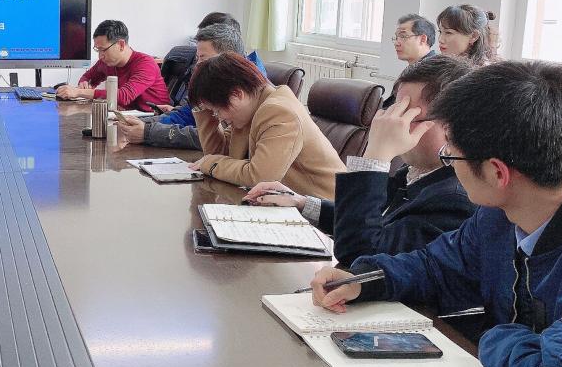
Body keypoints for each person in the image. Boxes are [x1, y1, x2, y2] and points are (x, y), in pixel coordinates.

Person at [309, 61, 562, 367]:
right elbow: (434, 266)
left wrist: (496, 336)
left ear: (497, 173)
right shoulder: (496, 219)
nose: (448, 164)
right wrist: (364, 281)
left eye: (452, 156)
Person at [244, 56, 476, 265]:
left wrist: (376, 155)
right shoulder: (420, 171)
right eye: (394, 111)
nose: (393, 123)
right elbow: (370, 219)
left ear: (450, 127)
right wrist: (302, 203)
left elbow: (359, 253)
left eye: (406, 115)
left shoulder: (456, 199)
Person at [187, 54, 344, 198]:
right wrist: (203, 110)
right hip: (286, 205)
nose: (220, 117)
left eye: (218, 110)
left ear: (237, 94)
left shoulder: (279, 111)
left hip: (327, 211)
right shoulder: (250, 107)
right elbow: (219, 154)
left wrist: (209, 164)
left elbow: (260, 177)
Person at [117, 22, 246, 150]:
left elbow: (210, 138)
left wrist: (148, 133)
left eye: (203, 58)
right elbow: (182, 115)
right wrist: (140, 124)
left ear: (228, 59)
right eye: (197, 59)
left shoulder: (240, 93)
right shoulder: (206, 86)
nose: (196, 66)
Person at [55, 20, 169, 111]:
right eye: (97, 50)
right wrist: (84, 83)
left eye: (103, 50)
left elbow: (123, 96)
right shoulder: (108, 62)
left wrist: (78, 92)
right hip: (126, 117)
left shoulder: (146, 64)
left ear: (121, 45)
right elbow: (88, 76)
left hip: (155, 119)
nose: (100, 56)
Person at [383, 14, 438, 108]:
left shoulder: (432, 70)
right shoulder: (415, 67)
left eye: (403, 36)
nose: (396, 43)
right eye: (396, 38)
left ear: (422, 39)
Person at [436, 4, 502, 65]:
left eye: (448, 33)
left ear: (474, 36)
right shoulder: (440, 65)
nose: (440, 40)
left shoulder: (485, 71)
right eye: (440, 32)